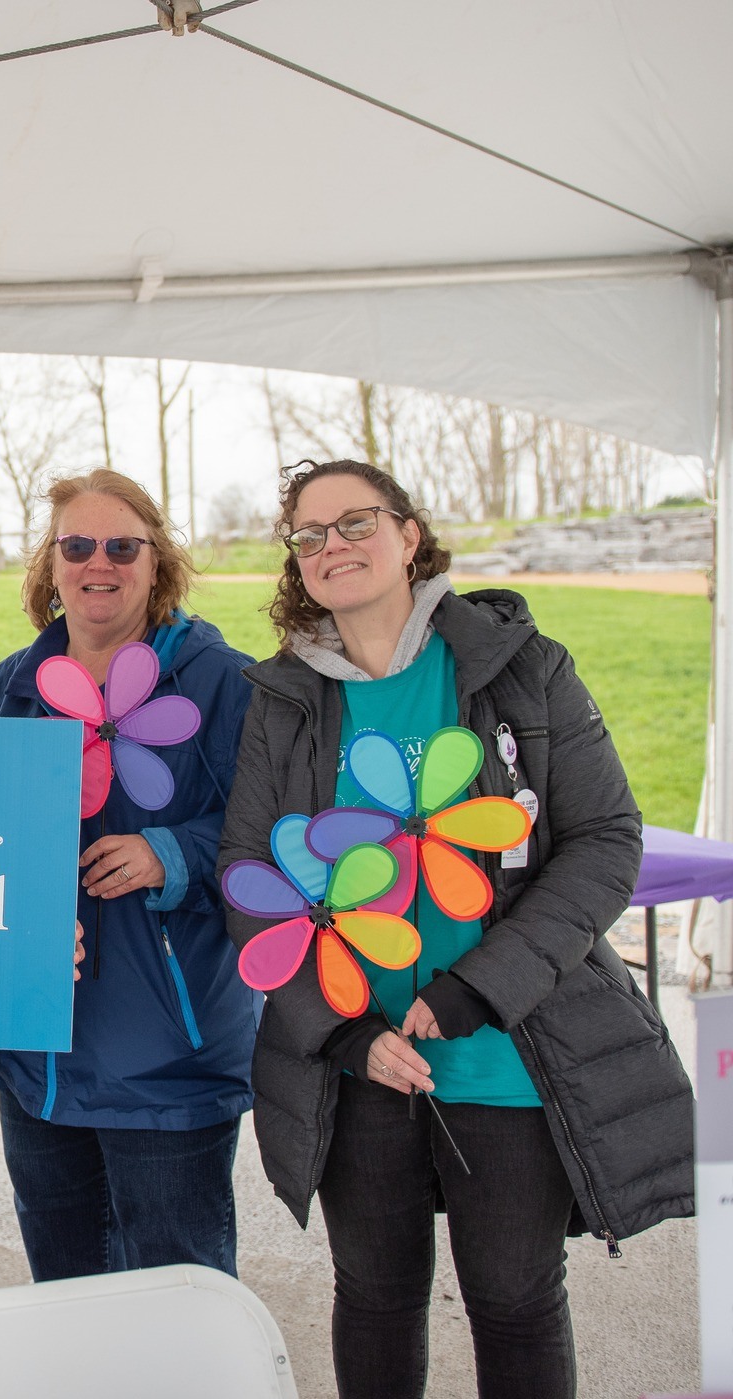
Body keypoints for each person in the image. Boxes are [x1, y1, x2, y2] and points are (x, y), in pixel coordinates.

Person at [219, 458, 694, 1399]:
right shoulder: (284, 697)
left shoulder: (523, 667)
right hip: (359, 1061)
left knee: (515, 1301)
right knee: (377, 1298)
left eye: (354, 523)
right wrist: (345, 1033)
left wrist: (481, 986)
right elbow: (249, 879)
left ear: (408, 535)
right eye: (309, 537)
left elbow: (604, 841)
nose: (333, 547)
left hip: (507, 1050)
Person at [0, 469, 256, 1281]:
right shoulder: (9, 692)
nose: (100, 563)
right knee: (66, 1300)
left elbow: (277, 835)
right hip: (42, 1065)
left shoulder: (220, 682)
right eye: (78, 545)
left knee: (178, 1302)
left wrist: (173, 853)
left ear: (157, 561)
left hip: (169, 1060)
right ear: (51, 564)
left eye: (123, 545)